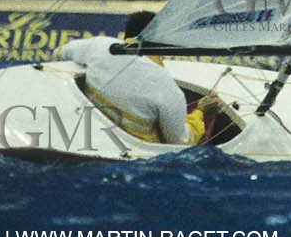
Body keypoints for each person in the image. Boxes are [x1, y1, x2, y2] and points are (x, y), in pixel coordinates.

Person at [57, 11, 211, 146]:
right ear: (161, 41)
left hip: (82, 135)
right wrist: (201, 111)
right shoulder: (167, 86)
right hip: (136, 158)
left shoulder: (99, 46)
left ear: (127, 33)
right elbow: (180, 141)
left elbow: (58, 53)